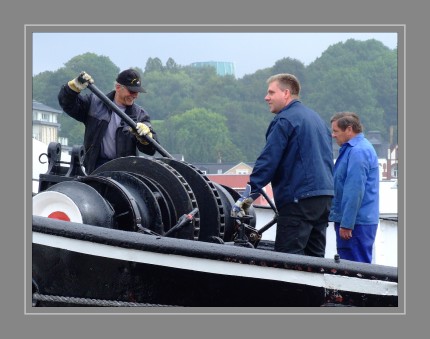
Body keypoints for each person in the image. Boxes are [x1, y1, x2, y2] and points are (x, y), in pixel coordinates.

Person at [232, 73, 334, 257]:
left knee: (289, 262)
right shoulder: (317, 120)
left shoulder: (284, 120)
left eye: (271, 92)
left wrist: (246, 198)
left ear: (286, 93)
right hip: (323, 199)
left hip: (299, 200)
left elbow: (268, 161)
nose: (266, 97)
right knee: (316, 262)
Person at [58, 68, 158, 174]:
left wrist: (146, 138)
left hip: (125, 171)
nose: (135, 95)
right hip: (95, 167)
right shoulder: (93, 104)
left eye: (137, 92)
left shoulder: (140, 115)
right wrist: (73, 87)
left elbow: (151, 150)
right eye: (132, 91)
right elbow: (67, 104)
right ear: (118, 87)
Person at [329, 112, 379, 263]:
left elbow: (354, 190)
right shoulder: (356, 149)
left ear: (349, 129)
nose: (333, 135)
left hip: (355, 225)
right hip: (358, 222)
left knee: (355, 269)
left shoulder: (358, 151)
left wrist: (346, 224)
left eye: (336, 131)